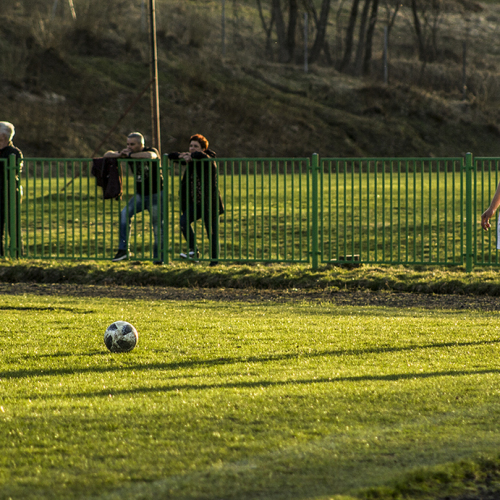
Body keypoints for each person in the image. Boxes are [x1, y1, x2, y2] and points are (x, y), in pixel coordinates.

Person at [104, 132, 163, 263]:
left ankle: (159, 257)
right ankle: (123, 250)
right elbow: (107, 154)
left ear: (141, 144)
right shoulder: (128, 152)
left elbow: (151, 156)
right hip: (140, 195)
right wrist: (119, 154)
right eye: (128, 144)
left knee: (157, 226)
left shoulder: (150, 150)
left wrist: (130, 155)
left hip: (155, 194)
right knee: (124, 214)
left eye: (133, 144)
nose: (129, 146)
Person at [168, 134, 224, 266]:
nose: (192, 148)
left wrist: (191, 156)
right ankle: (194, 251)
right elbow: (171, 156)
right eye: (191, 146)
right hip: (196, 204)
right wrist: (183, 156)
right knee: (183, 221)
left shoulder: (208, 160)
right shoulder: (191, 159)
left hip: (210, 204)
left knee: (212, 233)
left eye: (196, 146)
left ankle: (214, 263)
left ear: (203, 148)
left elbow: (202, 156)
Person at [0, 121, 23, 257]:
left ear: (3, 136)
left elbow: (12, 170)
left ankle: (17, 254)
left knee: (13, 225)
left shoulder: (13, 152)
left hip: (9, 193)